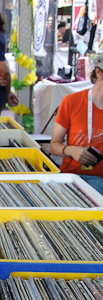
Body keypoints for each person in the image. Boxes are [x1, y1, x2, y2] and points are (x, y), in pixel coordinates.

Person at [50, 52, 103, 195]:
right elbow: (54, 146)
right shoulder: (71, 102)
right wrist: (71, 151)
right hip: (73, 177)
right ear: (99, 72)